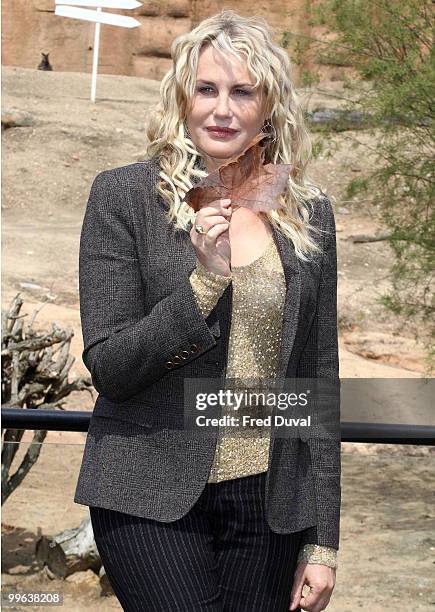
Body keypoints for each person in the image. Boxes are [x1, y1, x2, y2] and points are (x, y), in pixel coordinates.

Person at [74, 9, 341, 612]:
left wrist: (322, 541)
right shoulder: (124, 197)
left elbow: (318, 379)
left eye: (242, 91)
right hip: (147, 494)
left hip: (271, 506)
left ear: (268, 105)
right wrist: (203, 284)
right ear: (182, 97)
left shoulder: (309, 214)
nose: (222, 109)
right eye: (207, 89)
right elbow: (111, 366)